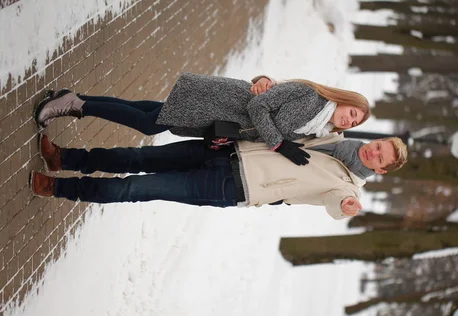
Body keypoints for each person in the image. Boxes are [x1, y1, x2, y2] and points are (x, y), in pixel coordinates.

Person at [29, 132, 407, 219]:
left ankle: (59, 187)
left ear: (379, 170)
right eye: (379, 145)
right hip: (226, 150)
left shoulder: (345, 185)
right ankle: (65, 158)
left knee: (136, 187)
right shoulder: (333, 136)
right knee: (138, 156)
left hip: (229, 185)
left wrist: (345, 205)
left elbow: (334, 204)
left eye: (380, 157)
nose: (373, 151)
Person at [34, 74, 371, 166]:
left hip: (220, 119)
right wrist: (279, 143)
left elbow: (269, 95)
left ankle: (73, 99)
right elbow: (259, 108)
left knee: (148, 111)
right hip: (219, 101)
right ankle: (75, 104)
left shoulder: (317, 128)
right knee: (149, 123)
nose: (350, 119)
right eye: (353, 112)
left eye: (355, 123)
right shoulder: (313, 97)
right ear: (344, 101)